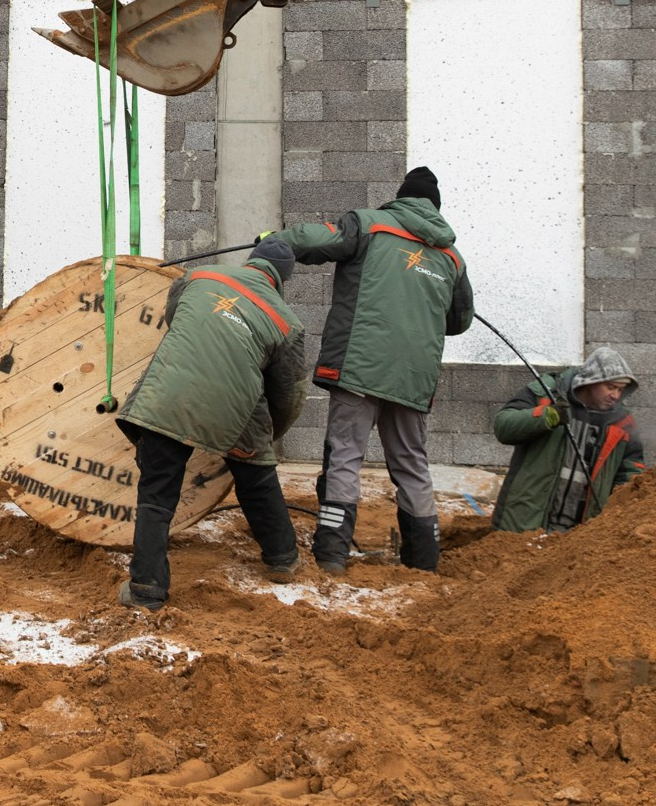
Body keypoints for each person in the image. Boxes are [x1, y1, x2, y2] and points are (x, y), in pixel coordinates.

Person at [269, 165, 474, 574]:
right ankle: (423, 561)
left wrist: (275, 242)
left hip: (360, 368)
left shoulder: (370, 226)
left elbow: (313, 240)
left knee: (345, 456)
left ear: (401, 197)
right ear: (435, 209)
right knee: (412, 464)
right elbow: (459, 321)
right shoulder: (452, 258)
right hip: (413, 380)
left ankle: (331, 555)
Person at [114, 237, 311, 610]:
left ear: (251, 261)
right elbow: (287, 395)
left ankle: (146, 590)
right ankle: (282, 559)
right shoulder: (287, 323)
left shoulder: (198, 276)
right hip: (238, 402)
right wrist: (270, 437)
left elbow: (177, 319)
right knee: (257, 476)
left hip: (169, 392)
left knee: (156, 495)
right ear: (281, 281)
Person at [491, 346, 646, 532]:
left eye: (621, 390)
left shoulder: (622, 424)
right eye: (611, 387)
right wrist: (546, 416)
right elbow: (504, 426)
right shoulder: (547, 393)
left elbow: (630, 473)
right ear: (590, 381)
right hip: (524, 525)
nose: (616, 395)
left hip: (579, 538)